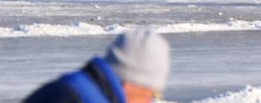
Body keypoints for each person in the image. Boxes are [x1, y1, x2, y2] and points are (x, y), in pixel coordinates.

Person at [23, 27, 170, 103]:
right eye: (152, 94)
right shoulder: (83, 99)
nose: (150, 101)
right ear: (131, 83)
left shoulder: (75, 86)